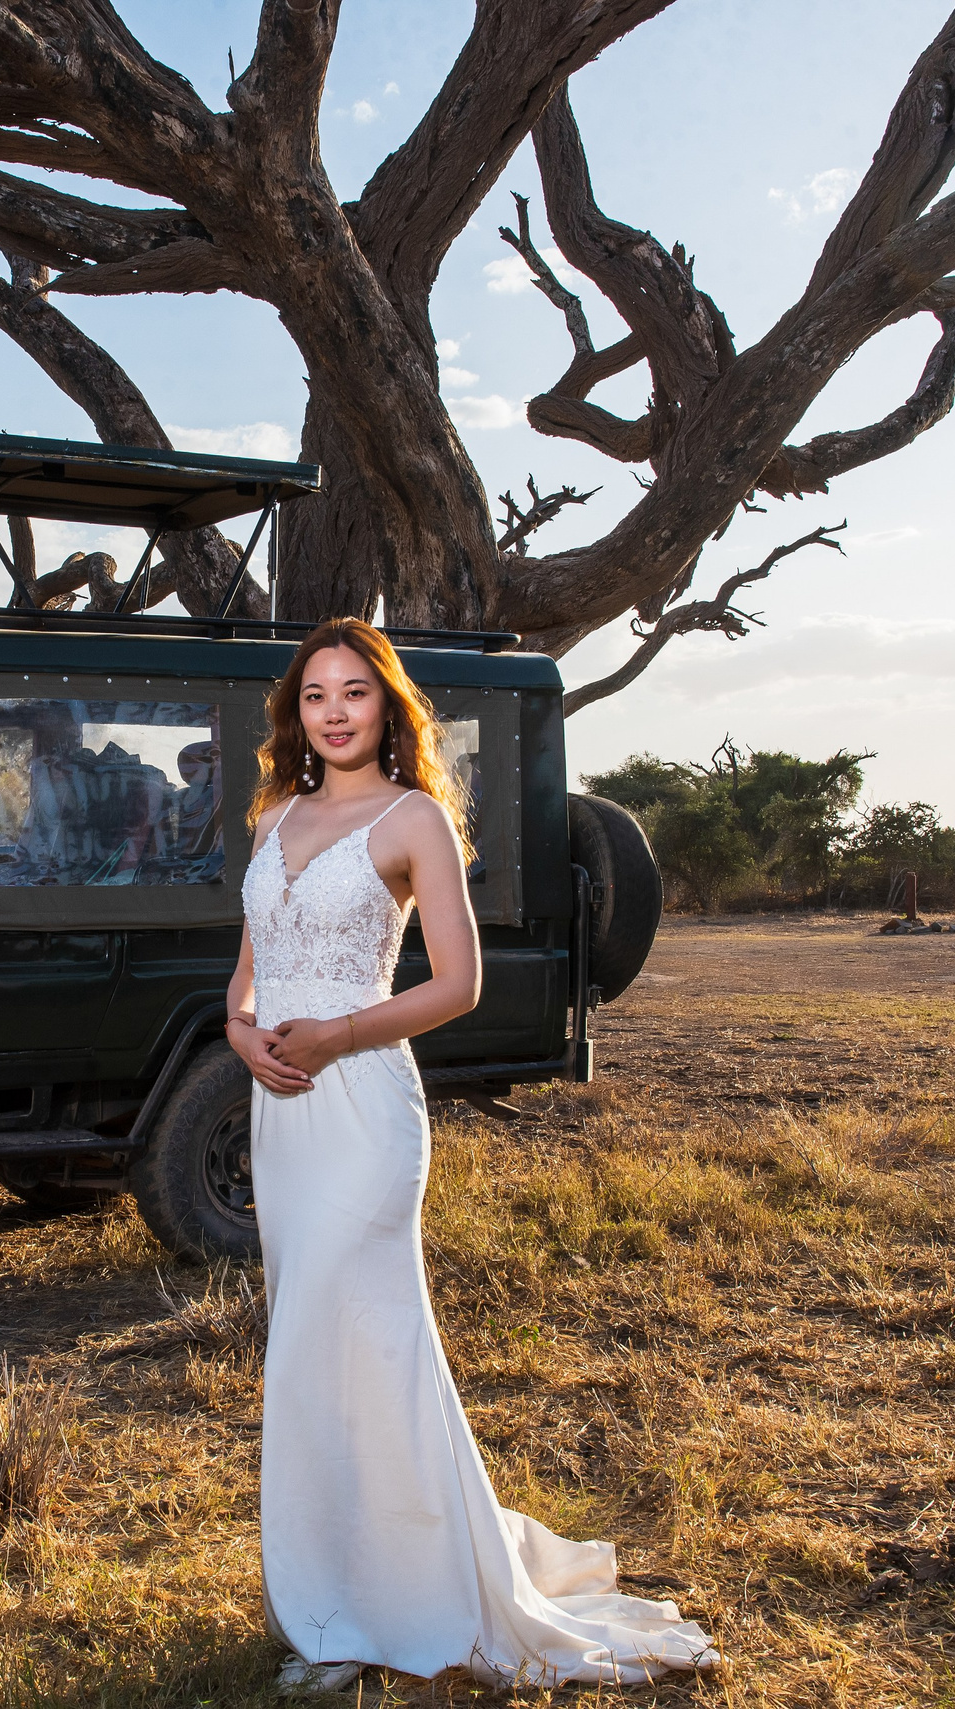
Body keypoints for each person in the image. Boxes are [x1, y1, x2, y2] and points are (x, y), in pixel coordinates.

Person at [226, 619, 720, 1693]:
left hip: (360, 1100)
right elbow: (249, 967)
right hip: (283, 1106)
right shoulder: (274, 813)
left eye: (355, 691)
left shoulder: (414, 821)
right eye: (315, 695)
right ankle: (331, 1588)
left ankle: (408, 1593)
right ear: (295, 713)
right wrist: (239, 1031)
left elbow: (458, 984)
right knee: (304, 1336)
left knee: (370, 1334)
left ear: (386, 706)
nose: (335, 711)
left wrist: (337, 1032)